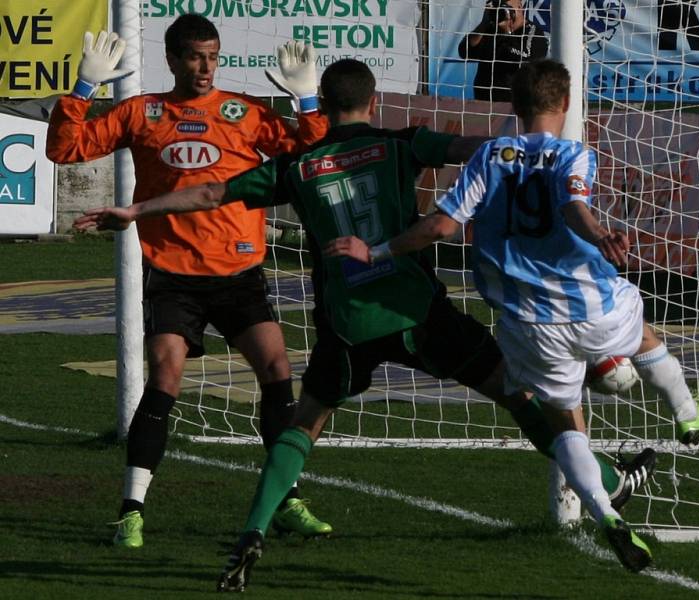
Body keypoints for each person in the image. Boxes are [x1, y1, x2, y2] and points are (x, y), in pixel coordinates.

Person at [75, 58, 657, 587]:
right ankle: (605, 480)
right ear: (374, 102)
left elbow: (209, 192)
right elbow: (466, 147)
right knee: (516, 391)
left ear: (323, 107)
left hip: (347, 323)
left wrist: (138, 209)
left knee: (305, 423)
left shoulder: (298, 167)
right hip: (415, 309)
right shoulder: (400, 145)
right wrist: (537, 144)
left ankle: (252, 532)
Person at [326, 59, 699, 572]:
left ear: (514, 109)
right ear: (565, 105)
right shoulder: (573, 154)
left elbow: (439, 227)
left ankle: (605, 514)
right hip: (590, 304)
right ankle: (686, 412)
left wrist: (378, 251)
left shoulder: (489, 157)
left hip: (527, 322)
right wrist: (600, 235)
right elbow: (573, 207)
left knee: (566, 424)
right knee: (644, 334)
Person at [46, 14, 332, 548]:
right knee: (166, 375)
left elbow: (310, 156)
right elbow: (65, 150)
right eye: (196, 57)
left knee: (277, 367)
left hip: (239, 271)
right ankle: (131, 511)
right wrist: (83, 89)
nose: (206, 68)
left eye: (213, 57)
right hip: (173, 273)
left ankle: (288, 498)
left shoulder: (244, 114)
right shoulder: (142, 112)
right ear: (173, 60)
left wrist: (308, 102)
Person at [458, 0, 547, 102]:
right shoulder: (492, 29)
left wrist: (507, 33)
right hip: (483, 104)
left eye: (507, 8)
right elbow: (464, 52)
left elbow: (526, 59)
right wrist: (484, 23)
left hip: (513, 106)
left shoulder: (533, 32)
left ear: (520, 7)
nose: (505, 12)